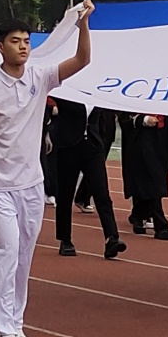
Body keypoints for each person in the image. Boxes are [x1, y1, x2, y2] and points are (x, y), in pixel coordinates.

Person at [0, 1, 94, 337]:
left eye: (27, 41)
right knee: (5, 253)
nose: (23, 47)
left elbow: (82, 60)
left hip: (32, 185)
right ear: (0, 46)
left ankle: (16, 321)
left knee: (23, 257)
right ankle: (3, 328)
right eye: (15, 41)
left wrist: (83, 25)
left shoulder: (40, 77)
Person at [50, 99, 124, 259]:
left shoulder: (97, 94)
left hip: (93, 147)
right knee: (65, 194)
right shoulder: (67, 93)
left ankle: (112, 238)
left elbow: (102, 120)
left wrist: (101, 142)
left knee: (102, 193)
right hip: (68, 147)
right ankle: (65, 239)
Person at [122, 114, 168, 239]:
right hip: (140, 141)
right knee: (152, 181)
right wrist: (142, 120)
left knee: (152, 180)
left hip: (162, 142)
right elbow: (124, 113)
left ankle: (138, 215)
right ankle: (161, 226)